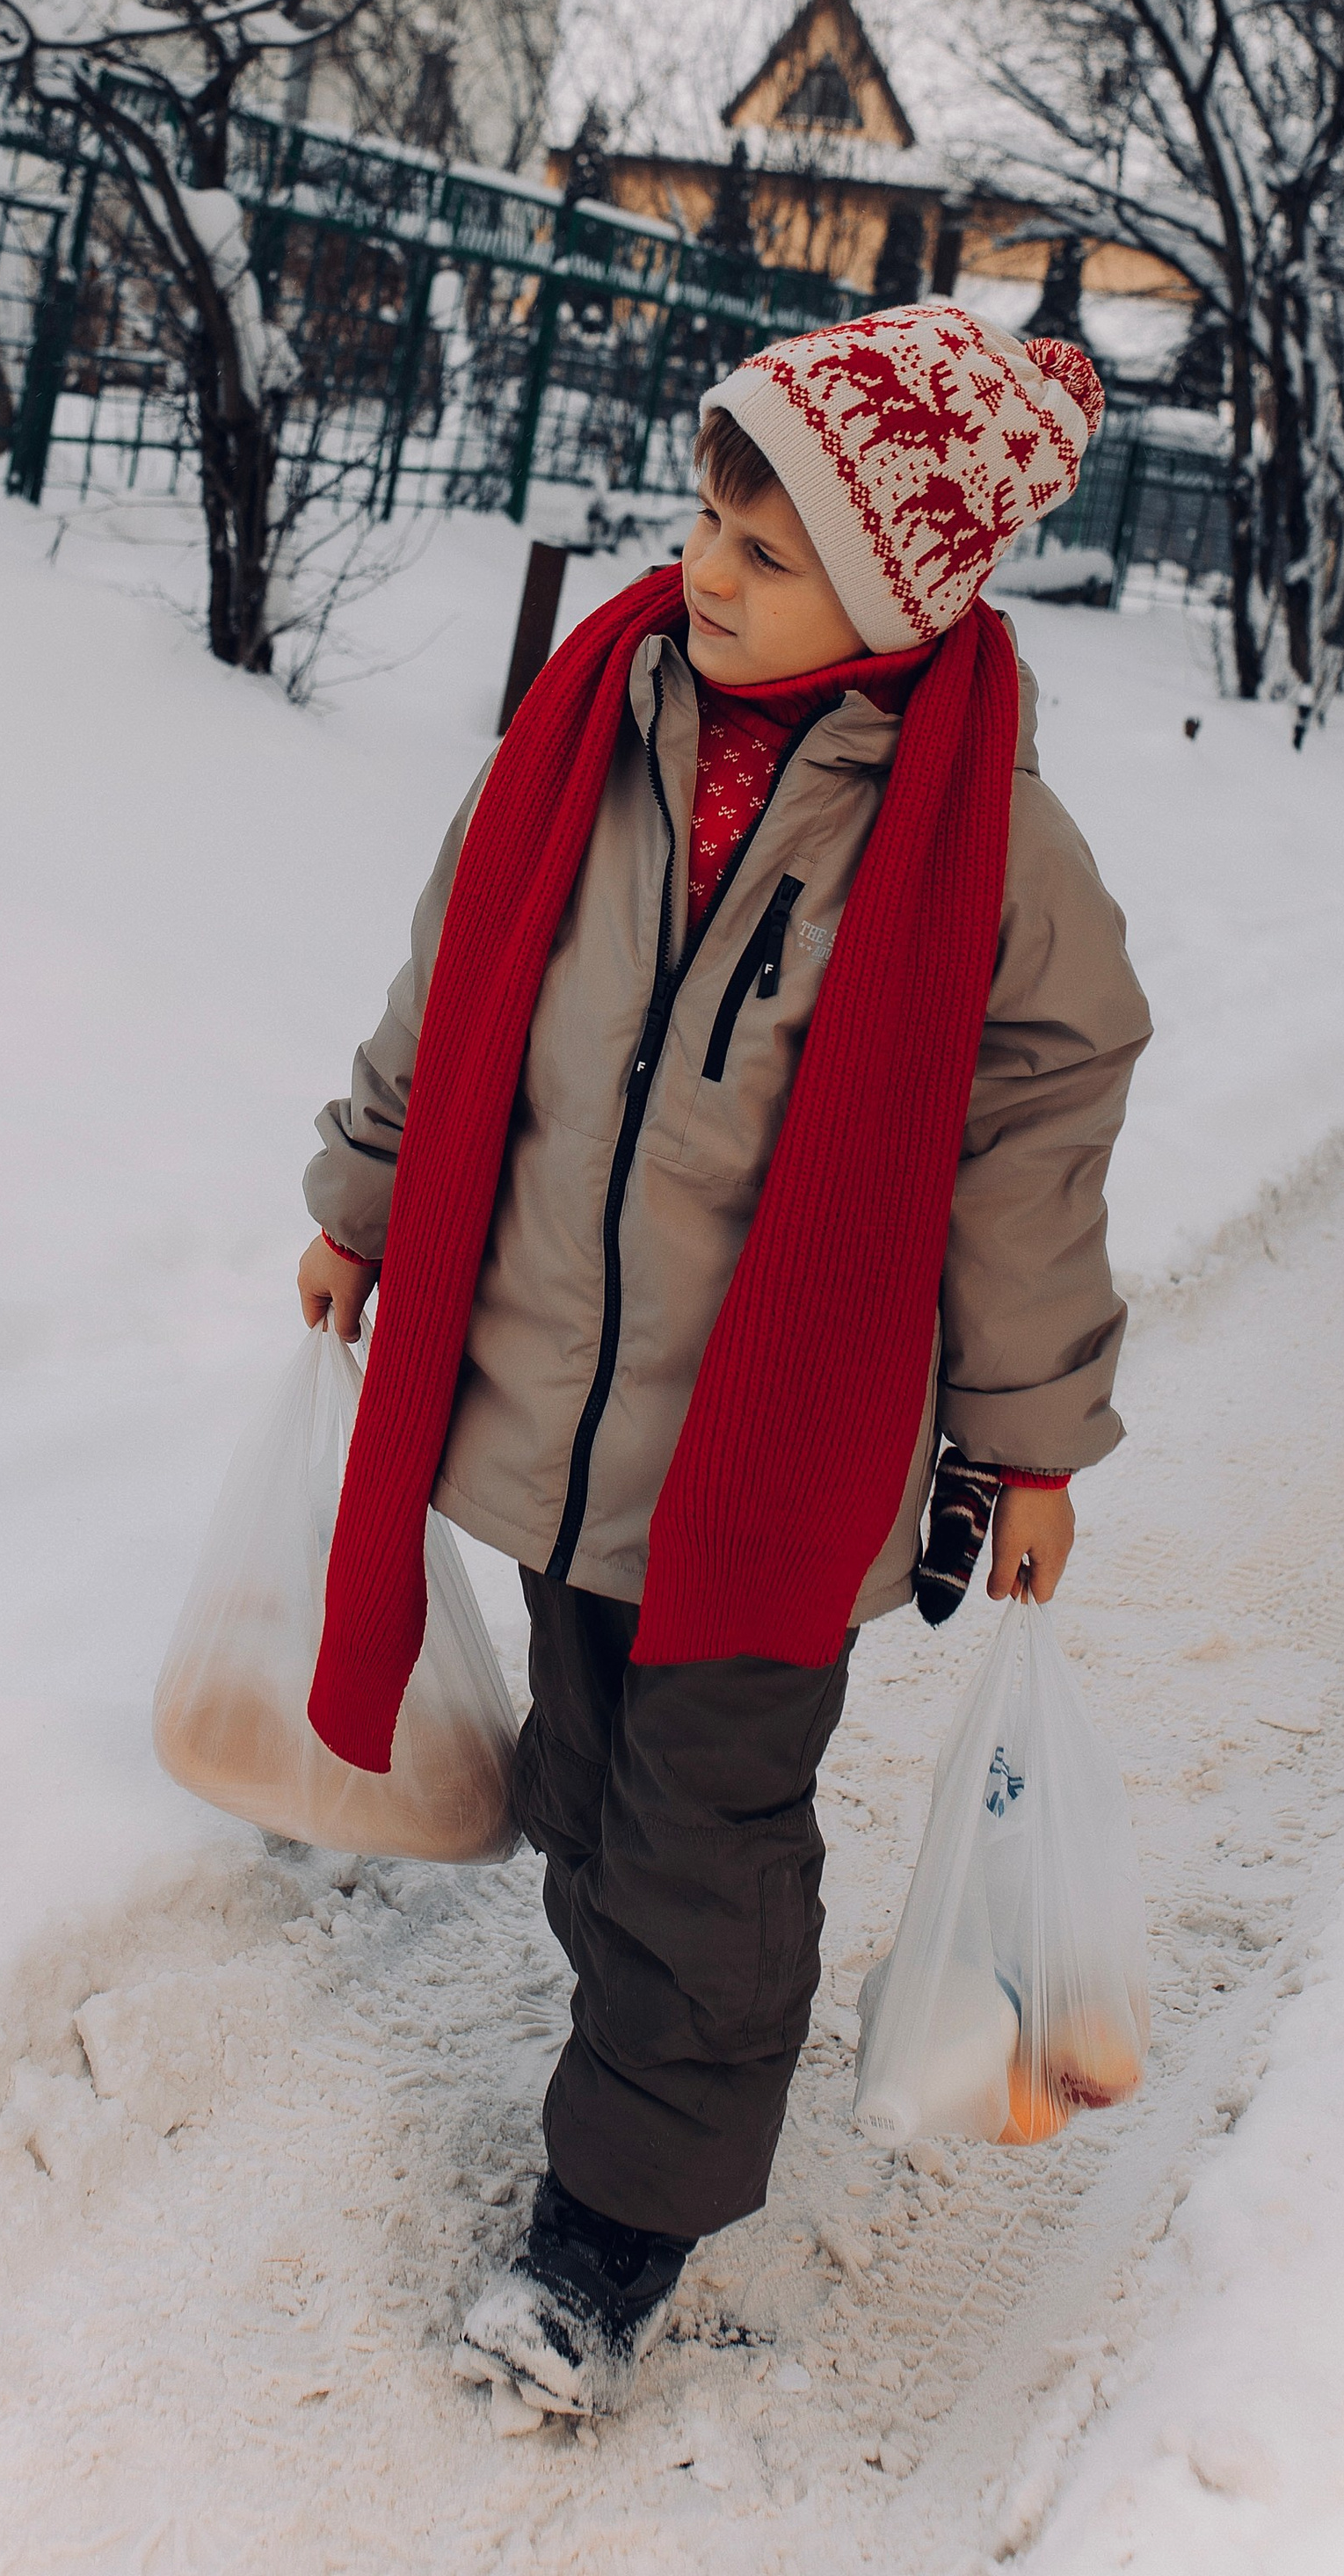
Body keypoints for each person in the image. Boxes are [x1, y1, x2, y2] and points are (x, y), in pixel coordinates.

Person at [295, 302, 1151, 2417]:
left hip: (768, 1449)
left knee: (699, 1826)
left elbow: (1028, 1147)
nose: (706, 572)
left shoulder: (975, 844)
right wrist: (360, 1195)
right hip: (551, 1413)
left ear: (891, 592)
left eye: (768, 559)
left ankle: (613, 2235)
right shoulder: (595, 725)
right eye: (703, 520)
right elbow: (450, 970)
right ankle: (645, 2061)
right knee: (587, 1791)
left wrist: (1024, 1439)